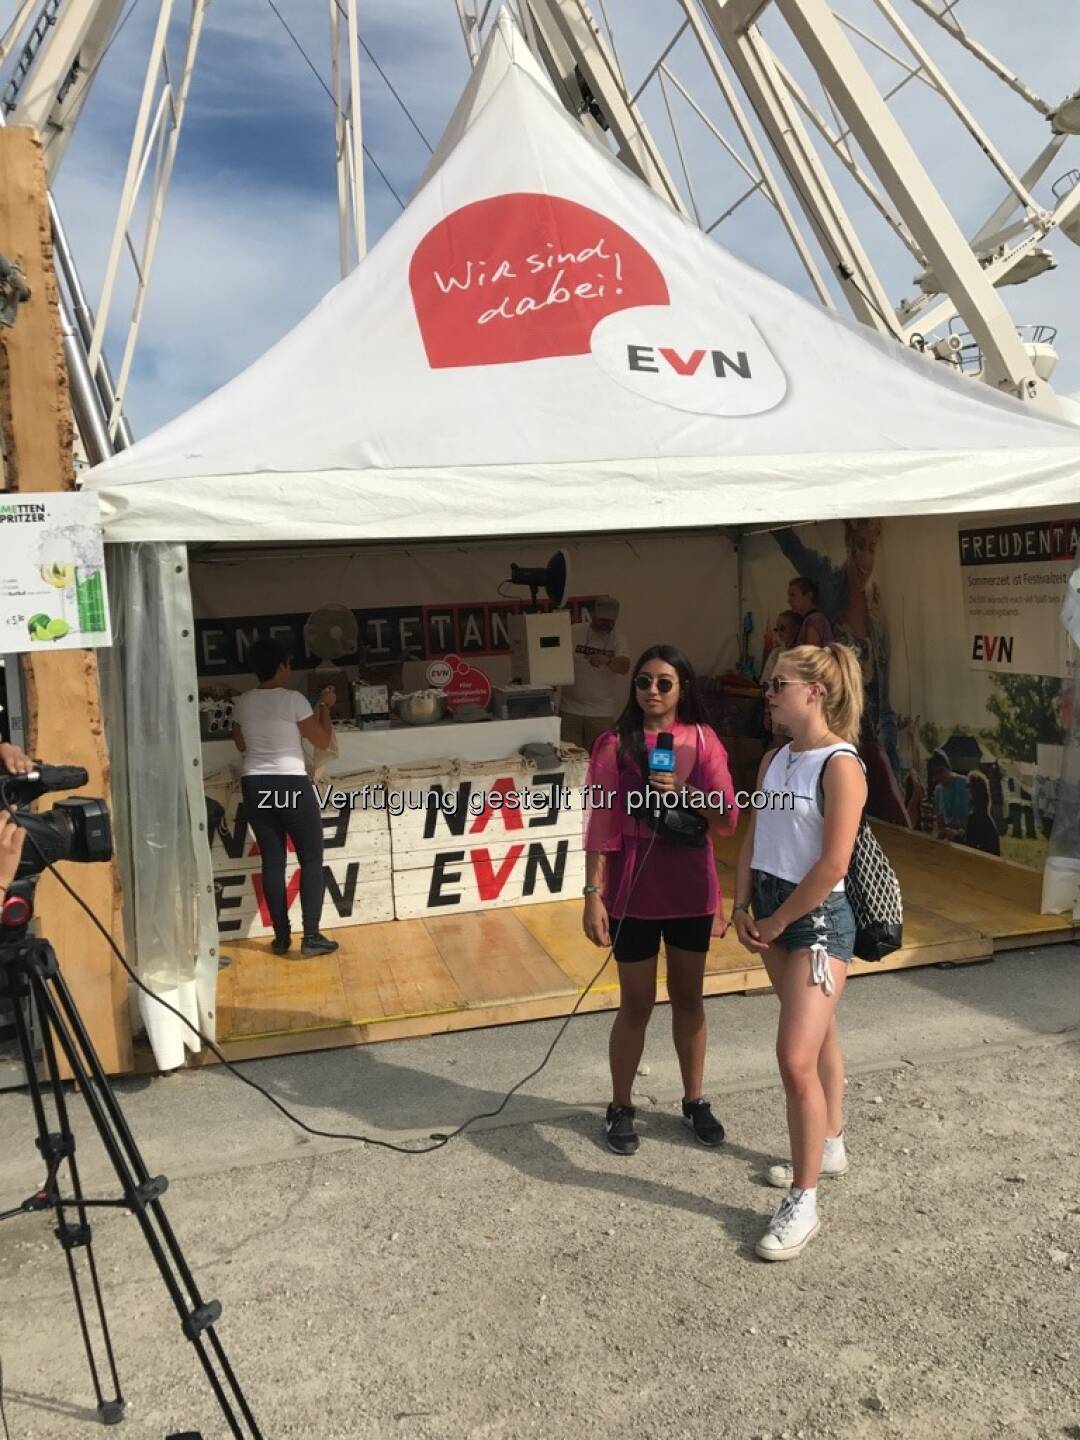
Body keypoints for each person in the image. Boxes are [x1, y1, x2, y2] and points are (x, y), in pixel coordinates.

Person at [732, 643, 868, 1261]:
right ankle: (829, 1142)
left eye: (778, 683)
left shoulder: (841, 765)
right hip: (770, 911)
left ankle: (805, 1198)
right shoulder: (774, 760)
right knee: (820, 1039)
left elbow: (833, 862)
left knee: (793, 1058)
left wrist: (776, 918)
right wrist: (740, 904)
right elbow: (756, 833)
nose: (769, 692)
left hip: (813, 921)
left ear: (814, 691)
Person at [582, 644, 737, 1156]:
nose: (652, 691)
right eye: (644, 681)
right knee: (637, 1002)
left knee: (690, 999)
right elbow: (600, 825)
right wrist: (592, 894)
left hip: (691, 886)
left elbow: (728, 818)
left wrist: (684, 791)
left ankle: (694, 1100)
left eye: (664, 682)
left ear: (682, 688)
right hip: (631, 889)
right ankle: (621, 1105)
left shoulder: (703, 739)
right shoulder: (613, 744)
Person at [773, 519, 909, 828]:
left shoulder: (877, 609)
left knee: (887, 812)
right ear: (848, 546)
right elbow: (794, 548)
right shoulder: (830, 585)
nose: (865, 559)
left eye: (872, 548)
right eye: (860, 546)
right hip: (837, 719)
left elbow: (882, 690)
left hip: (870, 724)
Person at [231, 639, 339, 957]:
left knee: (273, 861)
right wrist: (325, 707)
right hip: (290, 784)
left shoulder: (243, 702)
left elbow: (240, 744)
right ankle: (312, 936)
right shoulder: (293, 700)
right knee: (311, 859)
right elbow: (321, 739)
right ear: (281, 666)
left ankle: (280, 937)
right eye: (288, 664)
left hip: (255, 785)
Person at [559, 596, 630, 753]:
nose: (606, 623)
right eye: (602, 619)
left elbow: (624, 666)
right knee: (570, 758)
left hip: (601, 712)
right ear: (592, 614)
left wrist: (607, 660)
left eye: (610, 621)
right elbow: (557, 658)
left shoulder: (618, 639)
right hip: (570, 708)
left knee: (600, 757)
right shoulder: (574, 631)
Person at [761, 610, 801, 743]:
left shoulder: (804, 655)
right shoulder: (776, 654)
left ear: (796, 628)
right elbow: (767, 684)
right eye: (776, 628)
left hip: (799, 713)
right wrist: (767, 712)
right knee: (779, 750)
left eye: (783, 628)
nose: (779, 632)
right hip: (779, 712)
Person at [929, 750, 969, 843]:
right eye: (935, 773)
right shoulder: (938, 791)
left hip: (964, 839)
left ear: (948, 768)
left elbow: (971, 819)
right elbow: (939, 818)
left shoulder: (964, 784)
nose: (938, 776)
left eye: (940, 771)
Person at [787, 579, 833, 648]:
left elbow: (811, 654)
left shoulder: (814, 619)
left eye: (793, 595)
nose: (789, 601)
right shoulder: (810, 619)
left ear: (809, 595)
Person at [965, 771, 1000, 856]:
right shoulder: (986, 818)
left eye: (968, 787)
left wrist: (955, 836)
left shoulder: (976, 818)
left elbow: (970, 847)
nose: (966, 790)